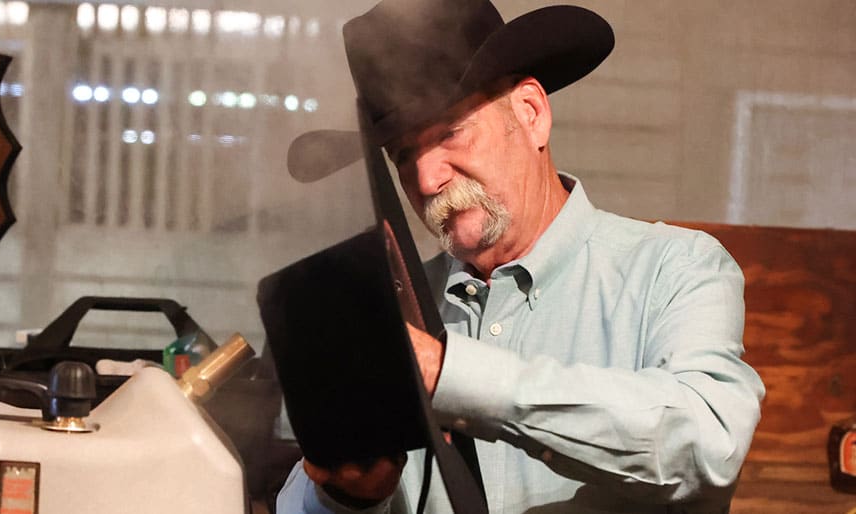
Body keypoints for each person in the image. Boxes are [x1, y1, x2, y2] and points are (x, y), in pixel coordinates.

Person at [276, 1, 765, 512]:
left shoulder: (675, 268)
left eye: (449, 132)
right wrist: (347, 495)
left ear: (530, 114)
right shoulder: (390, 314)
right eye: (402, 155)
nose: (425, 180)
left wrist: (449, 375)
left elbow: (709, 446)